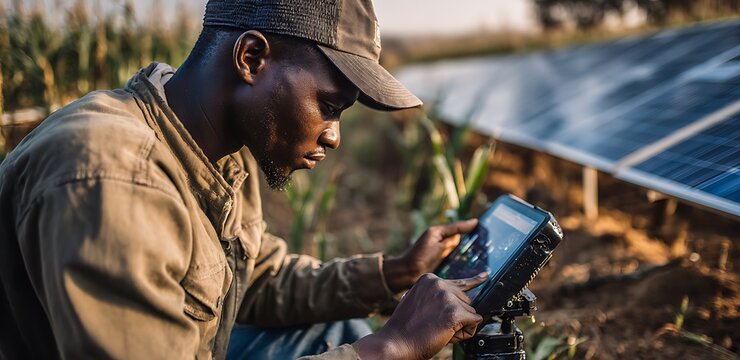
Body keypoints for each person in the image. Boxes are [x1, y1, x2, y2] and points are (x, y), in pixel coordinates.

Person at [0, 0, 489, 359]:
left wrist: (396, 273)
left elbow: (252, 279)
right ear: (251, 58)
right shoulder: (117, 180)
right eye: (330, 106)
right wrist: (391, 346)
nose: (334, 137)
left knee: (337, 327)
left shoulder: (218, 148)